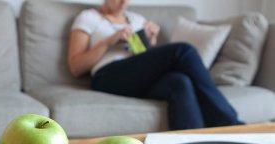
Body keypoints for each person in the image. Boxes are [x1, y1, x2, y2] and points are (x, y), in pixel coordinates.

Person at [67, 0, 243, 130]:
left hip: (139, 78)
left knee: (179, 82)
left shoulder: (137, 19)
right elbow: (76, 67)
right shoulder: (89, 17)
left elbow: (146, 59)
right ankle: (229, 122)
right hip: (107, 76)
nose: (123, 2)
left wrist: (150, 40)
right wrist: (109, 41)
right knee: (183, 50)